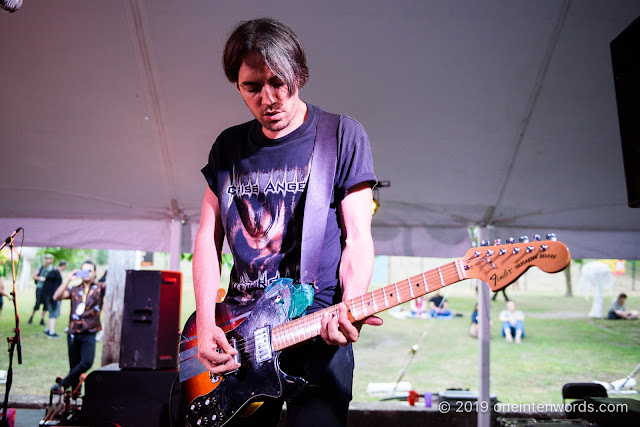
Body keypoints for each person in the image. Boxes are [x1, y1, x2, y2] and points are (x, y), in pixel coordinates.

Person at [192, 18, 379, 426]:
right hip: (239, 341)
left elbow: (359, 240)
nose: (269, 98)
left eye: (279, 82)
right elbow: (207, 239)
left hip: (316, 334)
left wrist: (352, 304)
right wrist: (206, 322)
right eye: (252, 87)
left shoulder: (341, 137)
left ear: (301, 74)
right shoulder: (228, 146)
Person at [50, 260, 105, 394]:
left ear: (95, 272)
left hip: (89, 331)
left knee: (86, 362)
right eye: (83, 270)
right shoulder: (75, 289)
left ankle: (63, 383)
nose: (86, 274)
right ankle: (75, 395)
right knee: (74, 365)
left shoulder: (99, 288)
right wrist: (68, 279)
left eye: (89, 270)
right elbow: (56, 296)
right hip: (73, 332)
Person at [42, 260, 67, 337]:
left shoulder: (53, 273)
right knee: (53, 313)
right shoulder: (56, 274)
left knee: (52, 312)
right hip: (53, 297)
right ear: (64, 266)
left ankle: (48, 329)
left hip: (49, 296)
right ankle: (51, 331)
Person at [29, 253, 55, 325]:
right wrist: (41, 278)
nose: (47, 260)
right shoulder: (41, 267)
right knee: (37, 303)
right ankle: (31, 317)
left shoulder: (53, 269)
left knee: (46, 304)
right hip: (40, 287)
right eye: (46, 259)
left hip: (48, 290)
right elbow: (34, 276)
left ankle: (42, 319)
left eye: (49, 259)